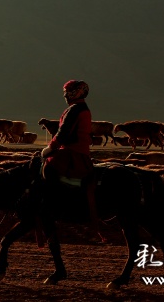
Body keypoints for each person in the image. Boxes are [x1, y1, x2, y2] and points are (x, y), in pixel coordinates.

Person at [41, 80, 103, 234]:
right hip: (78, 150)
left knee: (48, 169)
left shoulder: (75, 110)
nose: (65, 95)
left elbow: (63, 133)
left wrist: (49, 148)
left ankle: (53, 209)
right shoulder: (79, 108)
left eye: (68, 92)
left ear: (76, 93)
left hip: (72, 152)